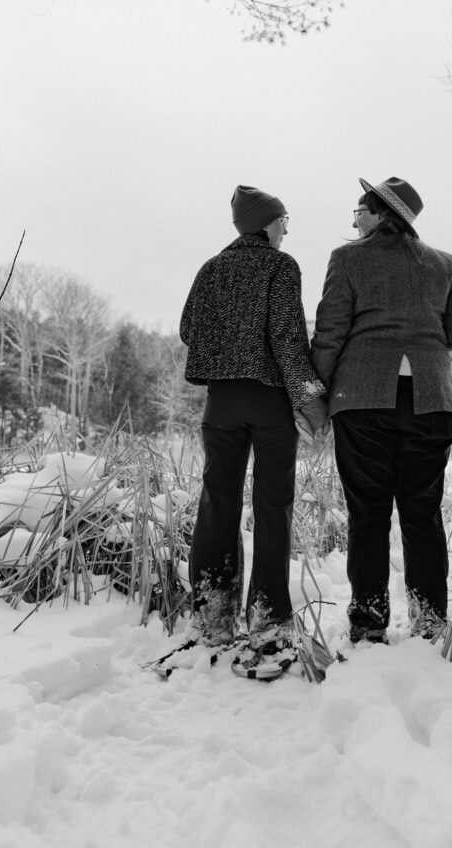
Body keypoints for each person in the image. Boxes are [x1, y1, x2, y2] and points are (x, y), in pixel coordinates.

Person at [310, 176, 452, 649]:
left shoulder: (347, 259)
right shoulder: (445, 264)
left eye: (359, 212)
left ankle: (368, 624)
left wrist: (313, 395)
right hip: (431, 401)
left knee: (368, 514)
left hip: (363, 402)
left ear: (382, 213)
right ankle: (429, 621)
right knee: (423, 513)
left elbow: (330, 333)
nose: (354, 222)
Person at [180, 184, 327, 672]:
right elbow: (286, 336)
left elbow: (188, 329)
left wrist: (228, 342)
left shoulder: (211, 268)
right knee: (272, 506)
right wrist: (308, 396)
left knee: (216, 504)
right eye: (284, 221)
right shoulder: (280, 266)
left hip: (220, 403)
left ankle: (211, 619)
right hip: (269, 404)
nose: (286, 230)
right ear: (266, 223)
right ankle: (268, 621)